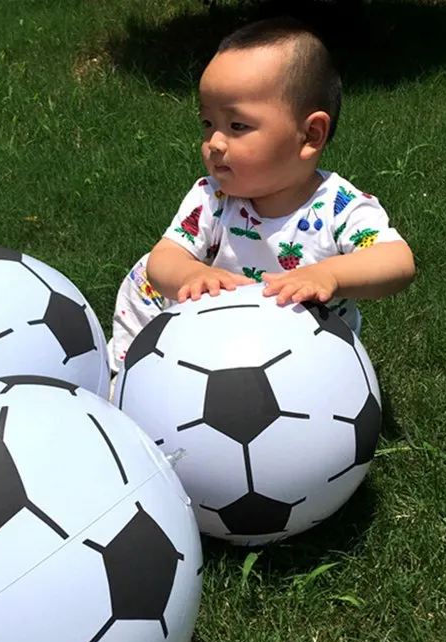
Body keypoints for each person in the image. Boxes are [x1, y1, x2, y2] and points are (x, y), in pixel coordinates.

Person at [108, 16, 415, 376]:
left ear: (310, 135)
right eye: (208, 123)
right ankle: (129, 377)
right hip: (210, 343)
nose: (214, 143)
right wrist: (191, 274)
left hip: (309, 354)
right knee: (145, 283)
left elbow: (397, 261)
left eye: (237, 126)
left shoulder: (337, 206)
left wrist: (327, 275)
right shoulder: (213, 198)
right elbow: (163, 259)